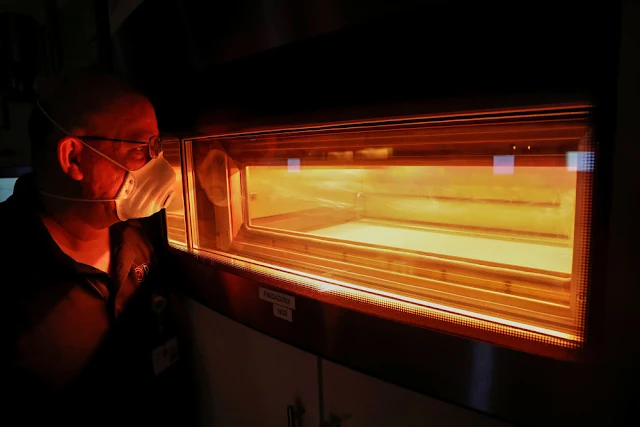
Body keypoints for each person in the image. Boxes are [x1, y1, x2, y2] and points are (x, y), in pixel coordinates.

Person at [0, 68, 191, 426]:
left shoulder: (139, 239)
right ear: (73, 158)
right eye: (141, 148)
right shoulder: (11, 269)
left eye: (157, 148)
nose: (159, 168)